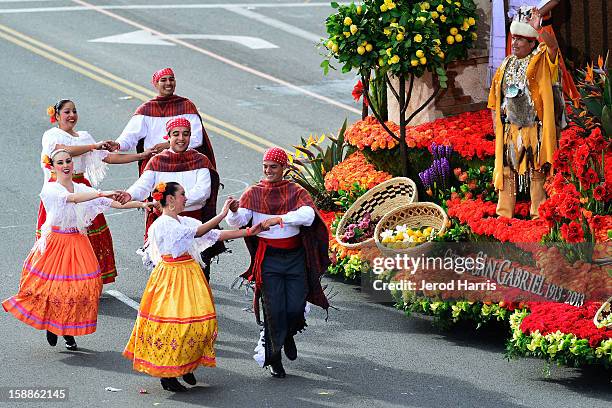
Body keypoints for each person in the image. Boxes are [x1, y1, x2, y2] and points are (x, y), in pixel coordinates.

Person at [123, 182, 267, 392]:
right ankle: (169, 375)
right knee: (175, 326)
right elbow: (199, 232)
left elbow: (215, 235)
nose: (186, 198)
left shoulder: (183, 220)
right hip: (170, 278)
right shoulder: (163, 224)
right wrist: (222, 213)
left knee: (201, 323)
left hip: (189, 275)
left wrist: (249, 232)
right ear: (170, 200)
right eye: (182, 194)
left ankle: (186, 365)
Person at [3, 149, 149, 350]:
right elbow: (72, 199)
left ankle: (67, 327)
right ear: (53, 167)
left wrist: (142, 203)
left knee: (86, 285)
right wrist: (101, 192)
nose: (65, 165)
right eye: (60, 162)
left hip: (78, 241)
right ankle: (56, 327)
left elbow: (113, 203)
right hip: (57, 243)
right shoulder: (51, 189)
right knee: (57, 288)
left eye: (68, 161)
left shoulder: (80, 187)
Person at [225, 147, 330, 378]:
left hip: (294, 258)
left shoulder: (296, 191)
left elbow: (309, 216)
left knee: (294, 307)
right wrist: (233, 212)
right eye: (265, 167)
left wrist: (280, 219)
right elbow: (239, 221)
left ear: (284, 168)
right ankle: (274, 358)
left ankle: (288, 333)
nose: (268, 171)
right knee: (273, 309)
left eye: (273, 167)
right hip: (269, 258)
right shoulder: (254, 192)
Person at [39, 99, 153, 284]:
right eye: (67, 112)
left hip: (82, 187)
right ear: (57, 116)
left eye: (74, 111)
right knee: (62, 236)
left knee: (88, 236)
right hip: (62, 189)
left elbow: (108, 157)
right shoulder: (52, 135)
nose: (71, 115)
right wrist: (94, 146)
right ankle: (59, 279)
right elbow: (63, 151)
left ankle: (86, 279)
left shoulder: (84, 136)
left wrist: (140, 156)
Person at [116, 117, 224, 280]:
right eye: (176, 134)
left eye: (185, 134)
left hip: (194, 223)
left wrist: (172, 201)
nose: (181, 138)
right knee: (166, 277)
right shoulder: (158, 161)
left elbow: (203, 191)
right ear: (168, 136)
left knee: (199, 276)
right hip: (167, 227)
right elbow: (143, 185)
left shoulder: (200, 160)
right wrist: (129, 194)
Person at [489, 6, 560, 219]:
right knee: (508, 172)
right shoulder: (505, 64)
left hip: (534, 128)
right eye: (514, 38)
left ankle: (538, 215)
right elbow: (495, 99)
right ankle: (503, 216)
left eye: (521, 39)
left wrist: (540, 30)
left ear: (532, 43)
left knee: (536, 171)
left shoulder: (540, 61)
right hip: (510, 129)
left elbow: (553, 48)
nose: (516, 43)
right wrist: (495, 124)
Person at [115, 67, 216, 174]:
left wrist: (169, 145)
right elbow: (130, 136)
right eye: (163, 80)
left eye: (171, 79)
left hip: (185, 165)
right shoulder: (146, 110)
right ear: (156, 84)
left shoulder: (186, 106)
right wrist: (117, 145)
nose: (168, 83)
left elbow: (197, 139)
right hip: (155, 166)